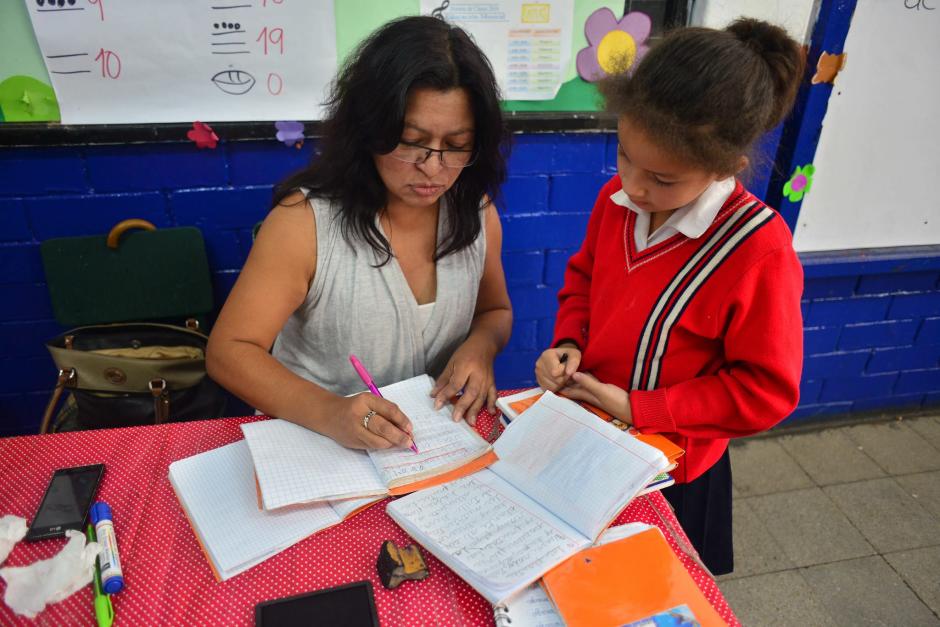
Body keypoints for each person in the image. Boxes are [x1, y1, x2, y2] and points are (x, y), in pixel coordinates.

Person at [534, 18, 805, 575]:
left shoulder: (758, 249)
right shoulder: (616, 199)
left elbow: (765, 391)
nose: (633, 185)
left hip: (672, 470)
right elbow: (584, 279)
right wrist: (568, 342)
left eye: (662, 178)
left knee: (649, 591)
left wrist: (641, 407)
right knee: (573, 579)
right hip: (591, 434)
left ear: (724, 167)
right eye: (624, 155)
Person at [207, 16, 512, 452]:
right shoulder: (304, 223)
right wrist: (330, 411)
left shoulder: (476, 213)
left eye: (457, 145)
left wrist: (481, 347)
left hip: (432, 448)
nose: (433, 167)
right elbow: (229, 351)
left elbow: (495, 311)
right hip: (315, 445)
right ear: (369, 130)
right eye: (411, 141)